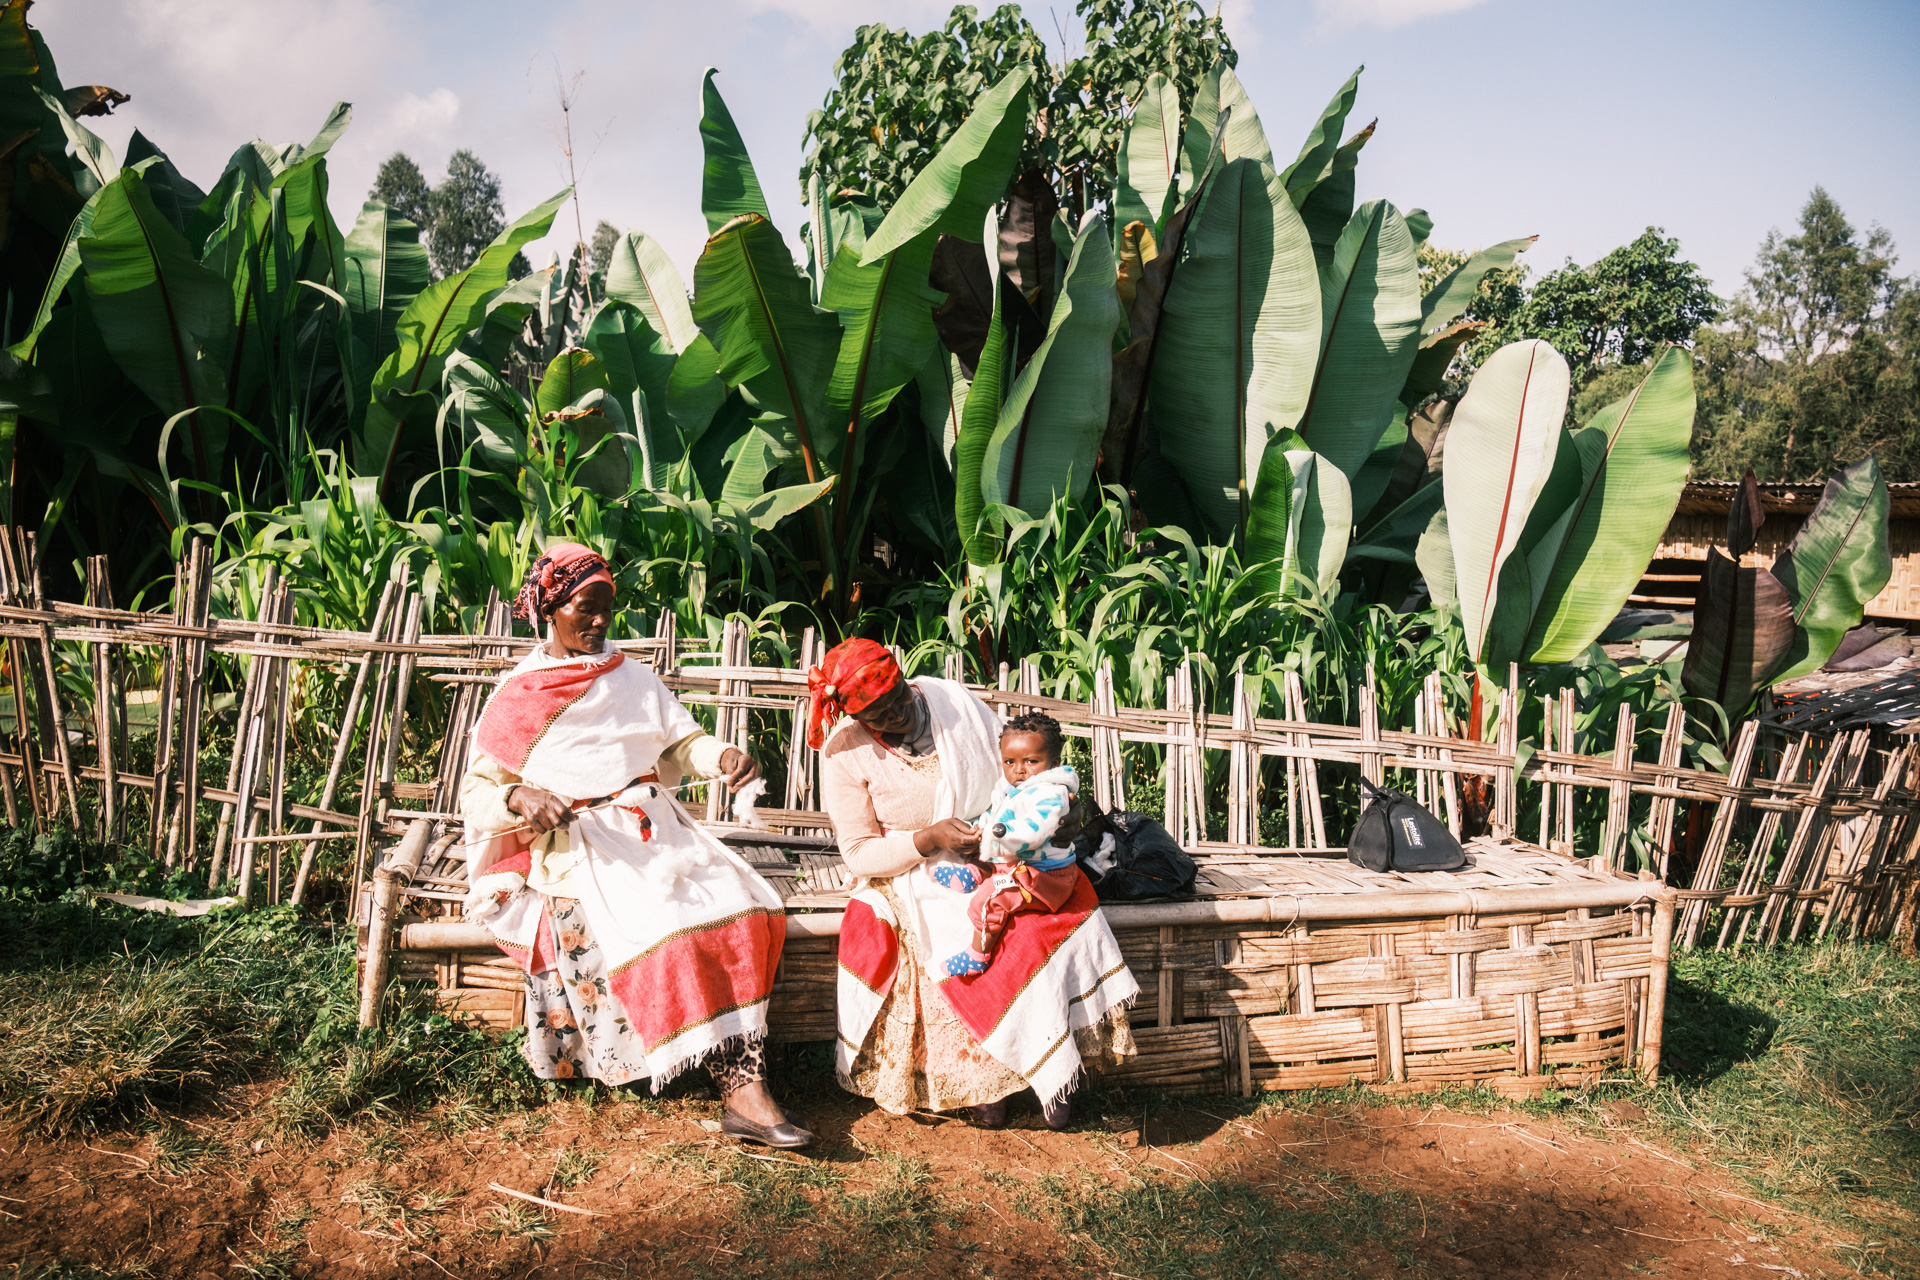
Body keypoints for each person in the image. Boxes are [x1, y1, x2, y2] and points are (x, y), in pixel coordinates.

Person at [460, 543, 812, 1149]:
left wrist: (718, 755)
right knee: (668, 929)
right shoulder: (522, 694)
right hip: (577, 844)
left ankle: (739, 1081)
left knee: (746, 909)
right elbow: (481, 786)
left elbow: (678, 744)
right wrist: (521, 799)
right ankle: (742, 1094)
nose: (598, 622)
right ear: (550, 607)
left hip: (653, 829)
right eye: (584, 608)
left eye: (605, 610)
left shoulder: (631, 677)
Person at [814, 639, 1137, 1130]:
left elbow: (1028, 777)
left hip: (1004, 848)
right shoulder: (844, 753)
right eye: (881, 714)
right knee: (957, 937)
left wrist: (1057, 817)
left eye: (900, 697)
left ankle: (1054, 1076)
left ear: (903, 678)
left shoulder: (952, 704)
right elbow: (859, 852)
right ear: (858, 719)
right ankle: (987, 1085)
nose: (899, 713)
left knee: (1034, 932)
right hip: (913, 868)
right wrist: (928, 838)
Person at [936, 712, 1086, 978]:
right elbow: (998, 814)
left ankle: (977, 954)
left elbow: (1031, 834)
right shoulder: (1014, 788)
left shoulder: (1051, 794)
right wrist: (981, 827)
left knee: (989, 899)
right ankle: (973, 873)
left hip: (1045, 877)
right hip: (1025, 863)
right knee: (986, 852)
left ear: (1053, 762)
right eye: (1009, 761)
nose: (1019, 770)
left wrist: (995, 833)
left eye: (1031, 761)